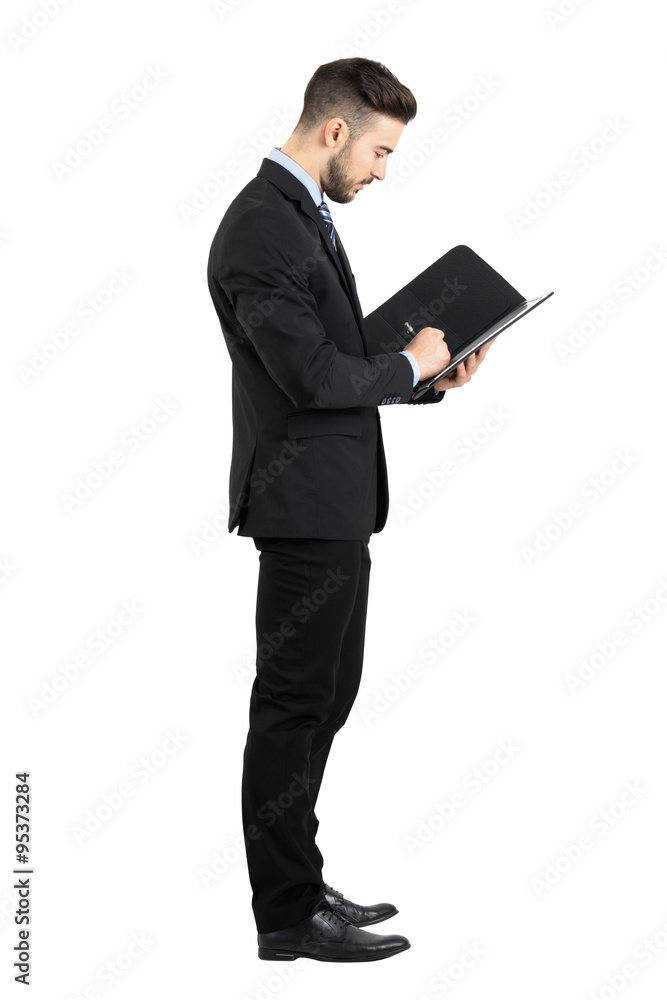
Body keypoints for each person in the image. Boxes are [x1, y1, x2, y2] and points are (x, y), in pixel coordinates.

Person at [206, 56, 494, 963]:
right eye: (377, 151)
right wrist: (403, 365)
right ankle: (286, 916)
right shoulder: (261, 228)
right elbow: (313, 377)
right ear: (335, 131)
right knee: (293, 707)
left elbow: (338, 361)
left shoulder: (299, 216)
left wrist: (428, 377)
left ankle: (300, 875)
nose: (380, 169)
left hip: (334, 505)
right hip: (300, 507)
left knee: (325, 700)